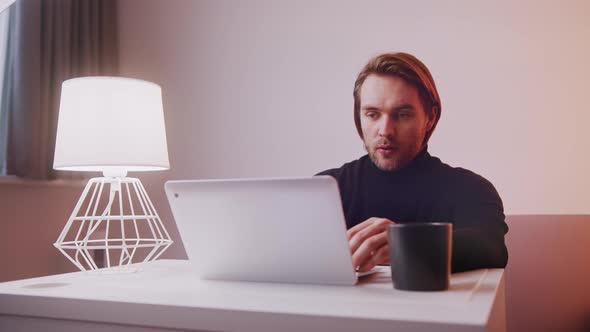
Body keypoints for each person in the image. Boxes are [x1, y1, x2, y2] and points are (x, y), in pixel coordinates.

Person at [317, 52, 508, 273]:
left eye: (402, 114)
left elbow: (492, 248)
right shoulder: (327, 188)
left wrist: (404, 245)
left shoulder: (470, 188)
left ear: (430, 118)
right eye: (372, 114)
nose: (385, 131)